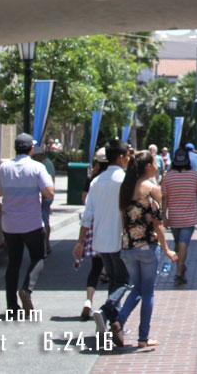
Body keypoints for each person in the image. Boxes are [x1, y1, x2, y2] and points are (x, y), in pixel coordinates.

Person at [115, 151, 179, 349]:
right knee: (148, 292)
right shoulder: (152, 190)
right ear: (148, 167)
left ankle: (118, 321)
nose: (158, 167)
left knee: (138, 288)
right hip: (147, 247)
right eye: (154, 163)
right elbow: (159, 224)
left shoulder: (125, 189)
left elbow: (123, 219)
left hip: (128, 247)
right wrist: (167, 249)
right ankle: (143, 337)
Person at [74, 139, 130, 340]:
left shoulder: (96, 182)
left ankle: (116, 325)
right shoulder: (125, 180)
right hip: (121, 239)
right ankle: (106, 312)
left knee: (114, 280)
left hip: (100, 240)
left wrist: (80, 241)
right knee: (124, 280)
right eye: (128, 156)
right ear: (122, 157)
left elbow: (87, 215)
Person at [0, 133, 54, 318]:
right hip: (31, 222)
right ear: (31, 149)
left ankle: (11, 306)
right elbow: (49, 192)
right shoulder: (37, 167)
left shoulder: (4, 167)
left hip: (10, 223)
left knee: (13, 262)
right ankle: (27, 289)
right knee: (38, 257)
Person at [160, 146, 197, 285]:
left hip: (174, 217)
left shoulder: (167, 177)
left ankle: (180, 268)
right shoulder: (195, 175)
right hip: (189, 216)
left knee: (179, 243)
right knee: (183, 244)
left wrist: (164, 216)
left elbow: (165, 198)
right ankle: (179, 272)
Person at [78, 148, 108, 321]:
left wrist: (80, 240)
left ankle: (88, 300)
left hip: (94, 226)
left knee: (95, 267)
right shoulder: (117, 179)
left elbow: (85, 200)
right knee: (115, 269)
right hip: (111, 227)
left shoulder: (92, 181)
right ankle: (109, 308)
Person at [32, 142, 56, 254]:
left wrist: (44, 198)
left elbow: (47, 183)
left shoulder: (45, 165)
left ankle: (45, 244)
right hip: (45, 196)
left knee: (44, 220)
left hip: (45, 197)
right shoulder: (46, 164)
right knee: (44, 219)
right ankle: (45, 244)